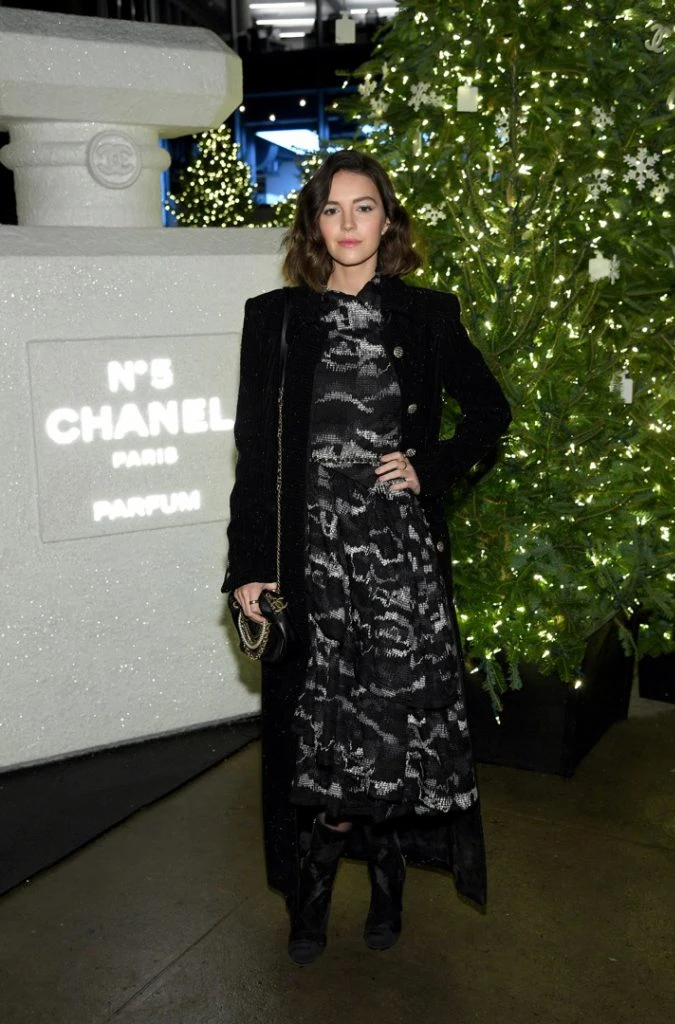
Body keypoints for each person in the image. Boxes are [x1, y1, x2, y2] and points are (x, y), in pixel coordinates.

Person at [222, 150, 511, 965]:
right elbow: (255, 456)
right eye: (331, 209)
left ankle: (386, 879)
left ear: (388, 221)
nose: (347, 224)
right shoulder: (275, 320)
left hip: (393, 564)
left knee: (383, 730)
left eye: (363, 207)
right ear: (313, 226)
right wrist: (248, 567)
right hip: (309, 563)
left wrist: (428, 468)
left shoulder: (427, 315)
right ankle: (311, 895)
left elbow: (490, 411)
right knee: (318, 737)